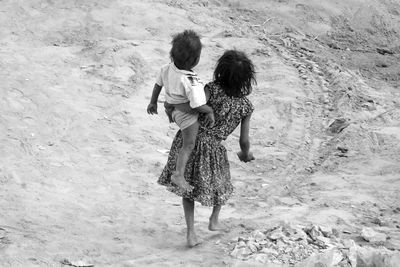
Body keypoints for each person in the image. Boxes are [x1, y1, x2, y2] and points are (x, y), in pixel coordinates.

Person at [158, 49, 256, 247]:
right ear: (246, 79)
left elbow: (194, 105)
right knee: (222, 185)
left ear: (220, 71)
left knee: (188, 190)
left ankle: (191, 233)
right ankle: (214, 220)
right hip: (214, 149)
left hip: (190, 140)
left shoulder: (211, 89)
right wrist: (246, 154)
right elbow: (243, 141)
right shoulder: (246, 106)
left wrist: (172, 107)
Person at [147, 30, 215, 193]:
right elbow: (197, 105)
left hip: (170, 106)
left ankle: (172, 114)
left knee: (186, 138)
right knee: (188, 145)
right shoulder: (190, 80)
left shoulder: (167, 68)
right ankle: (179, 174)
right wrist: (209, 110)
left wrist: (153, 102)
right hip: (185, 115)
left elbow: (158, 85)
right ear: (196, 60)